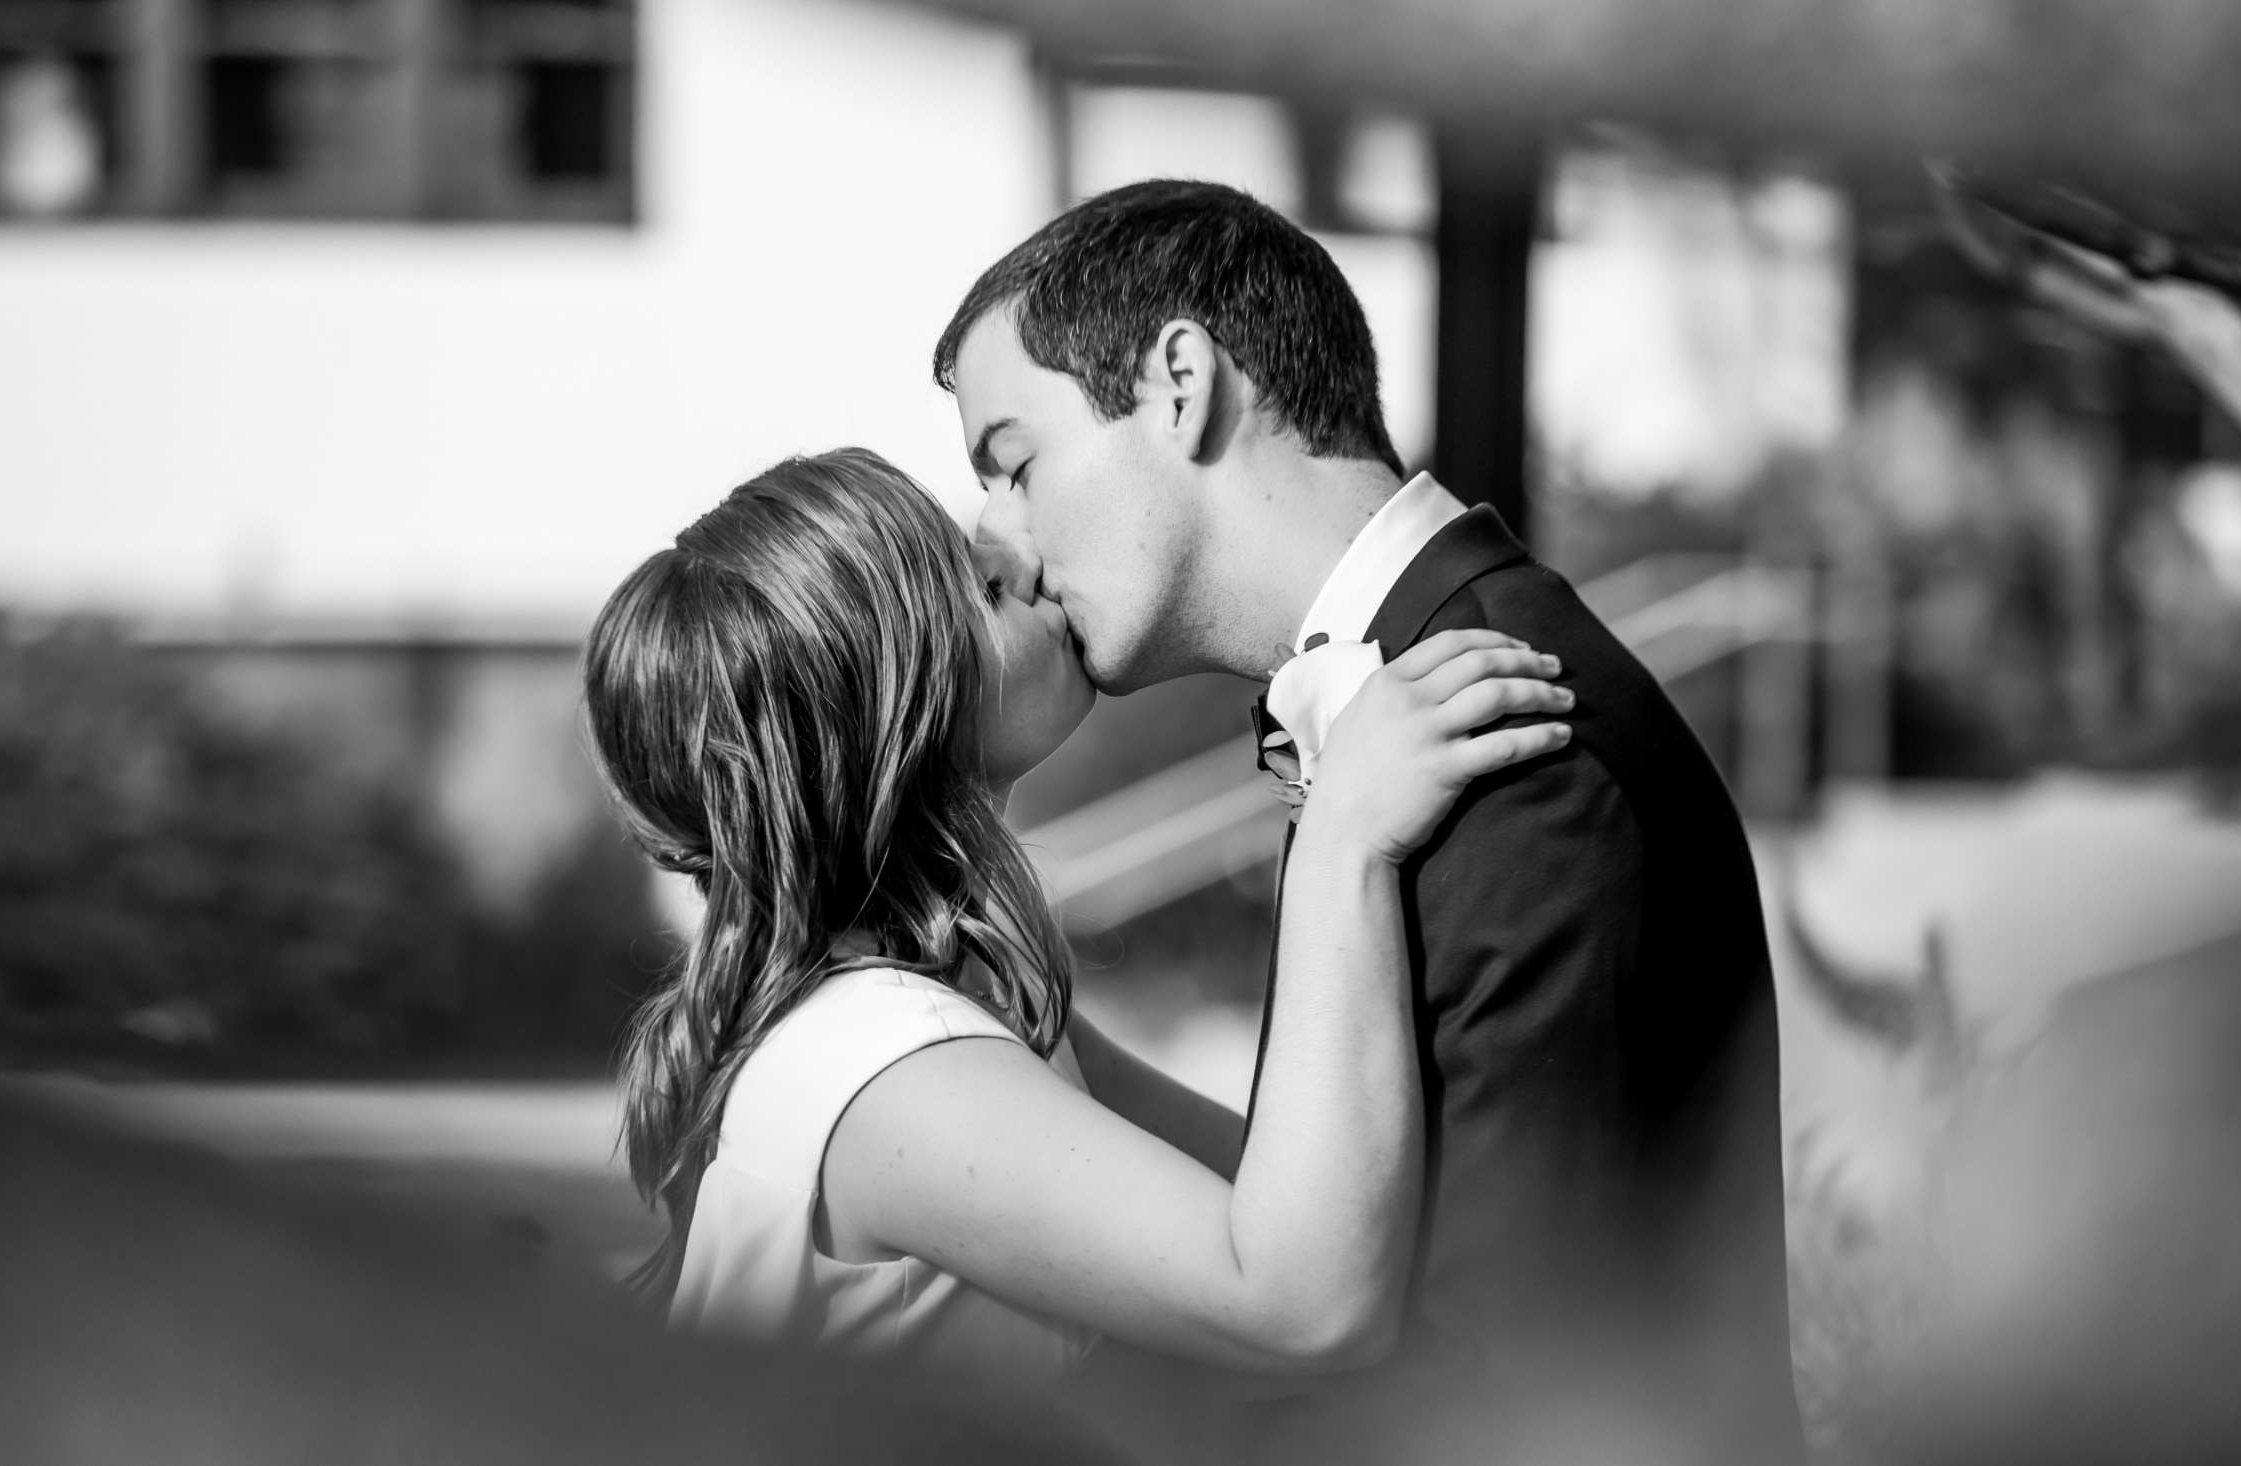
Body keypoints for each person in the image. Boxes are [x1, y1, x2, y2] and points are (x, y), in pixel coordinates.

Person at [934, 181, 1805, 1464]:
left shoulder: (1512, 741)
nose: (997, 532)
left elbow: (1505, 1367)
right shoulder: (1407, 716)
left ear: (1182, 381)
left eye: (1015, 462)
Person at [582, 448, 1572, 1396]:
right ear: (890, 707)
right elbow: (1302, 1301)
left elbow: (1284, 1191)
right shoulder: (893, 1067)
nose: (1024, 558)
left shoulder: (948, 1005)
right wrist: (1341, 845)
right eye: (980, 585)